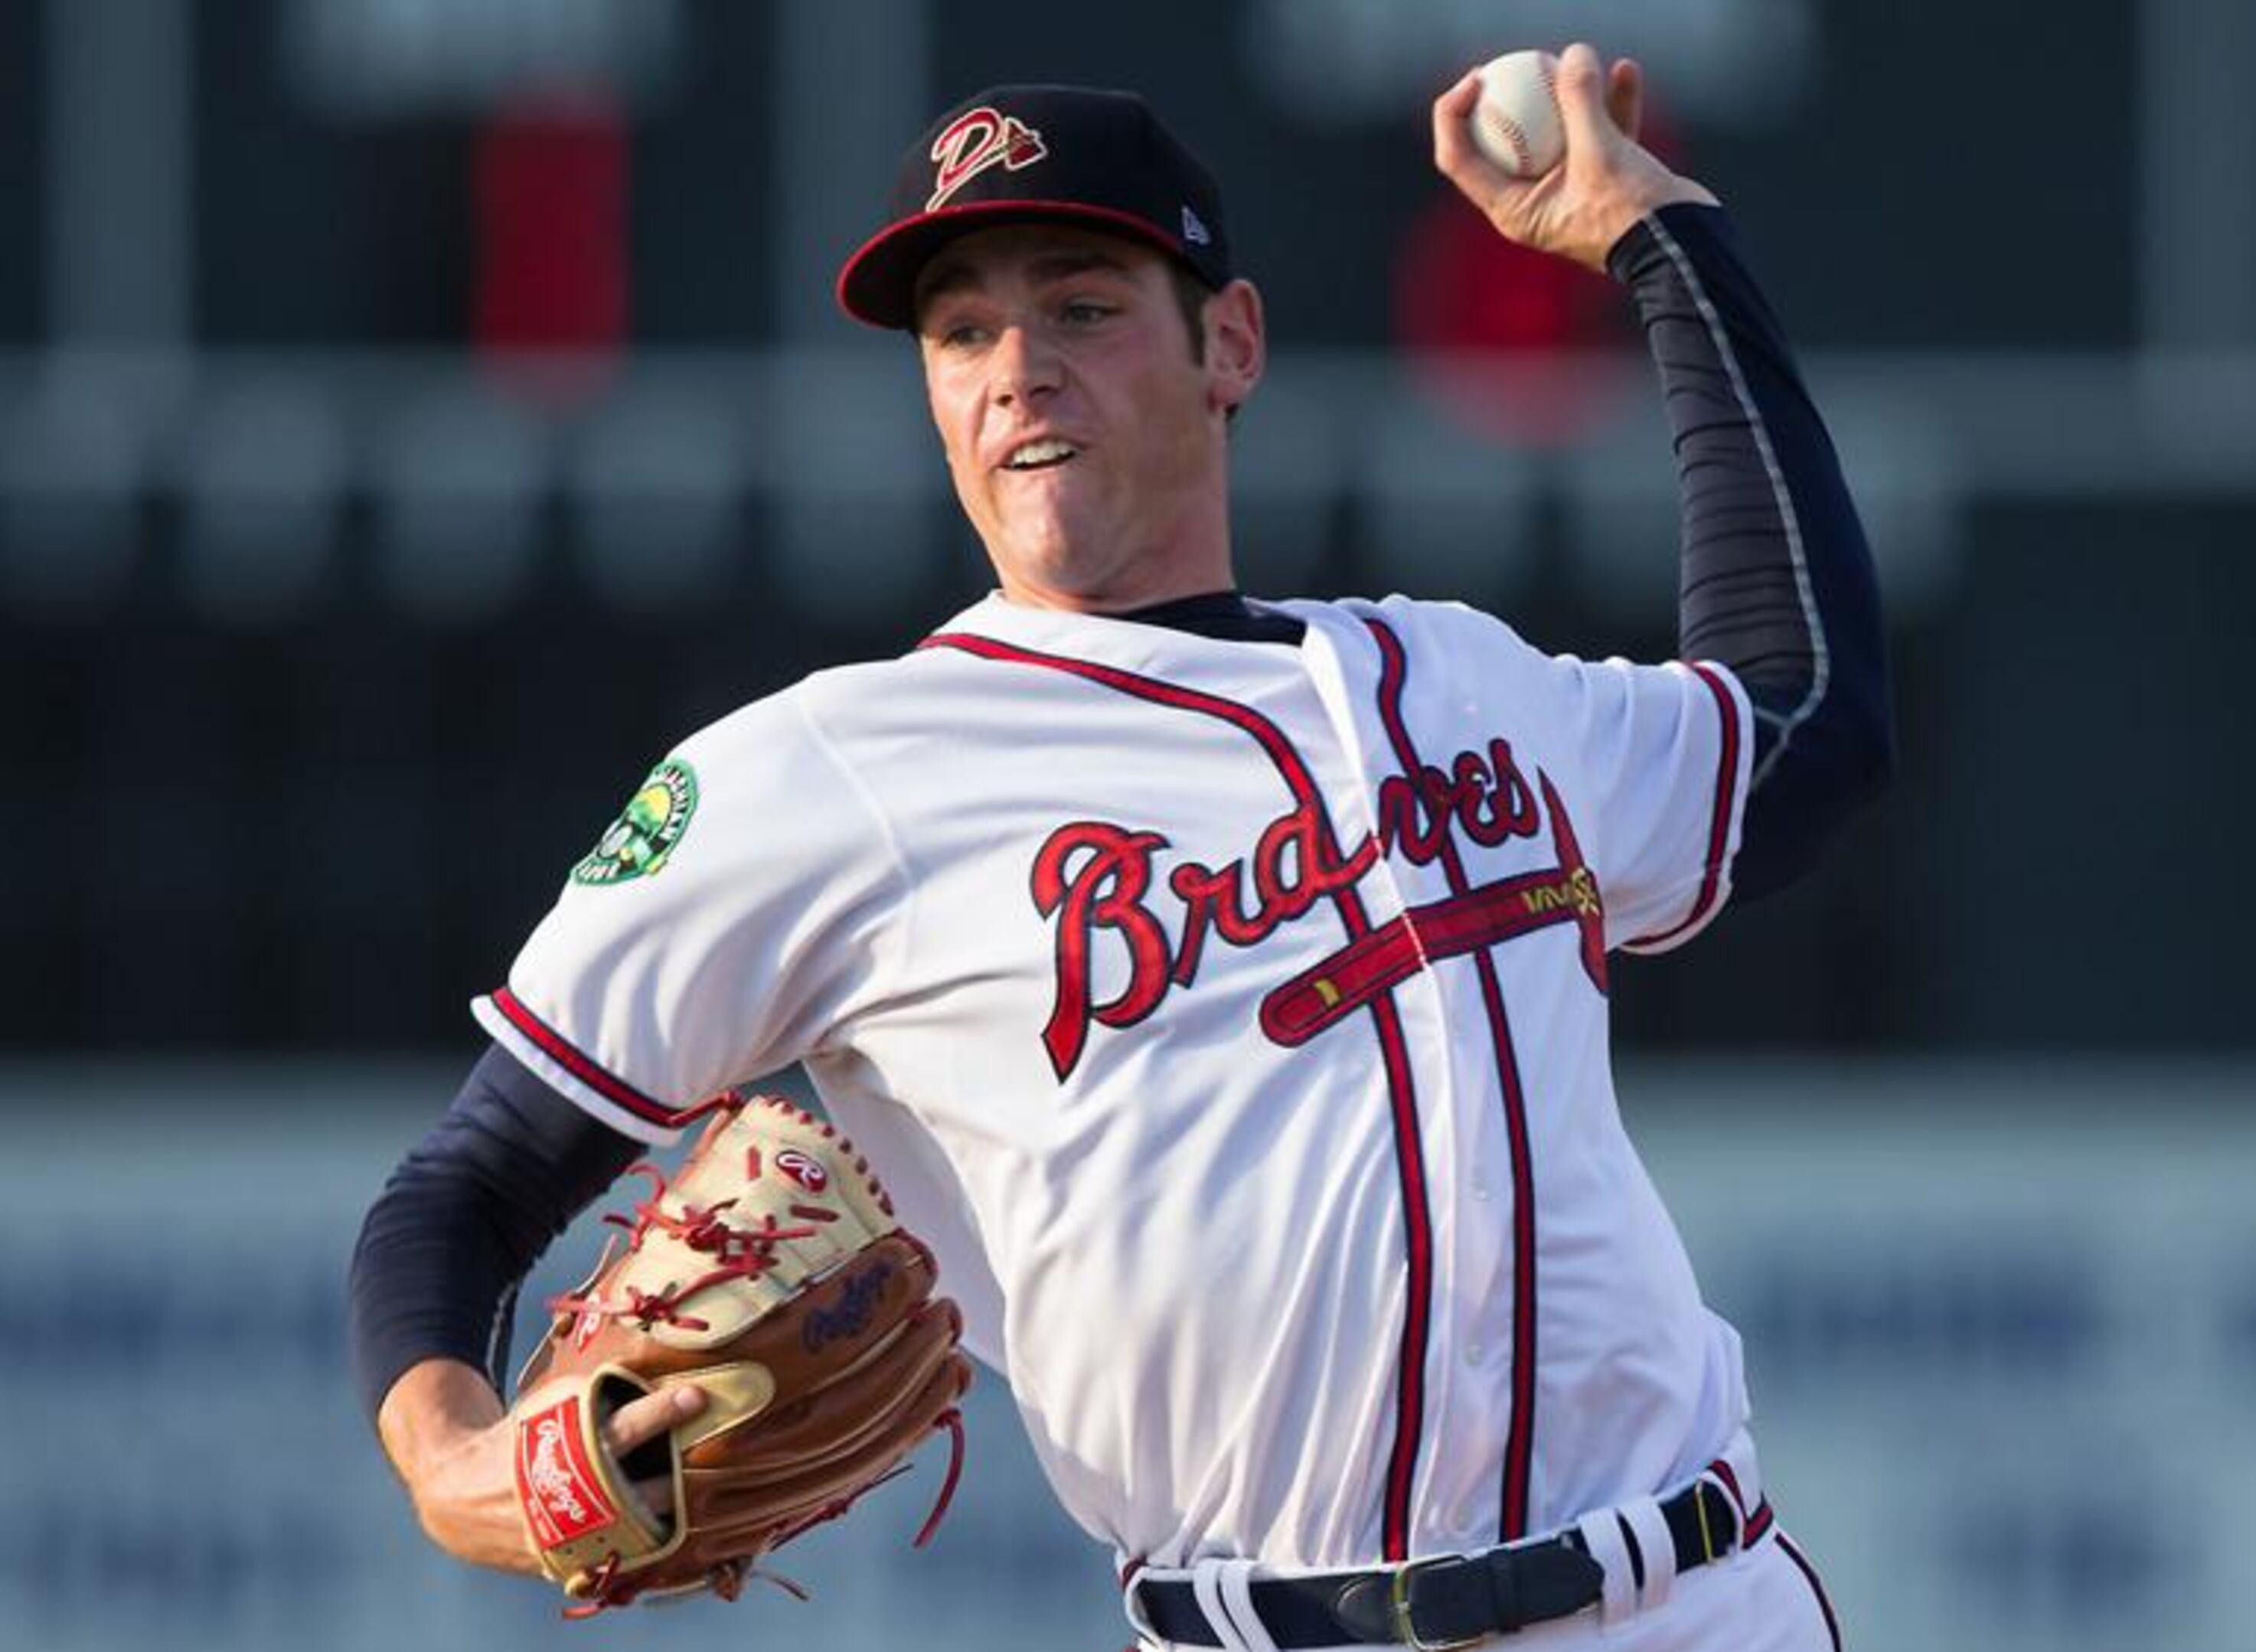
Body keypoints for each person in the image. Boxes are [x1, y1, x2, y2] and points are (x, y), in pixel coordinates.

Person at [349, 43, 1889, 1651]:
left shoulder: (1467, 677)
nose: (1018, 368)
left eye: (1080, 307)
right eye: (962, 332)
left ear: (1230, 343)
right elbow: (468, 1182)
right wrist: (449, 1453)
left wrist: (1668, 245)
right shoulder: (827, 773)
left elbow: (1809, 724)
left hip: (1695, 1602)